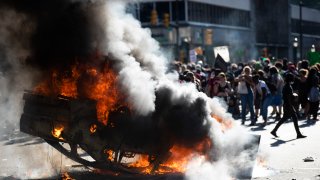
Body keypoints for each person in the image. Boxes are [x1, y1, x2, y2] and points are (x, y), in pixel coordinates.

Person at [271, 73, 307, 139]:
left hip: (286, 104)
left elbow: (287, 96)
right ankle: (298, 134)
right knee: (294, 118)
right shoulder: (288, 86)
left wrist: (293, 96)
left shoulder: (286, 86)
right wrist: (293, 98)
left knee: (285, 118)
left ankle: (274, 131)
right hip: (288, 105)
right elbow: (288, 97)